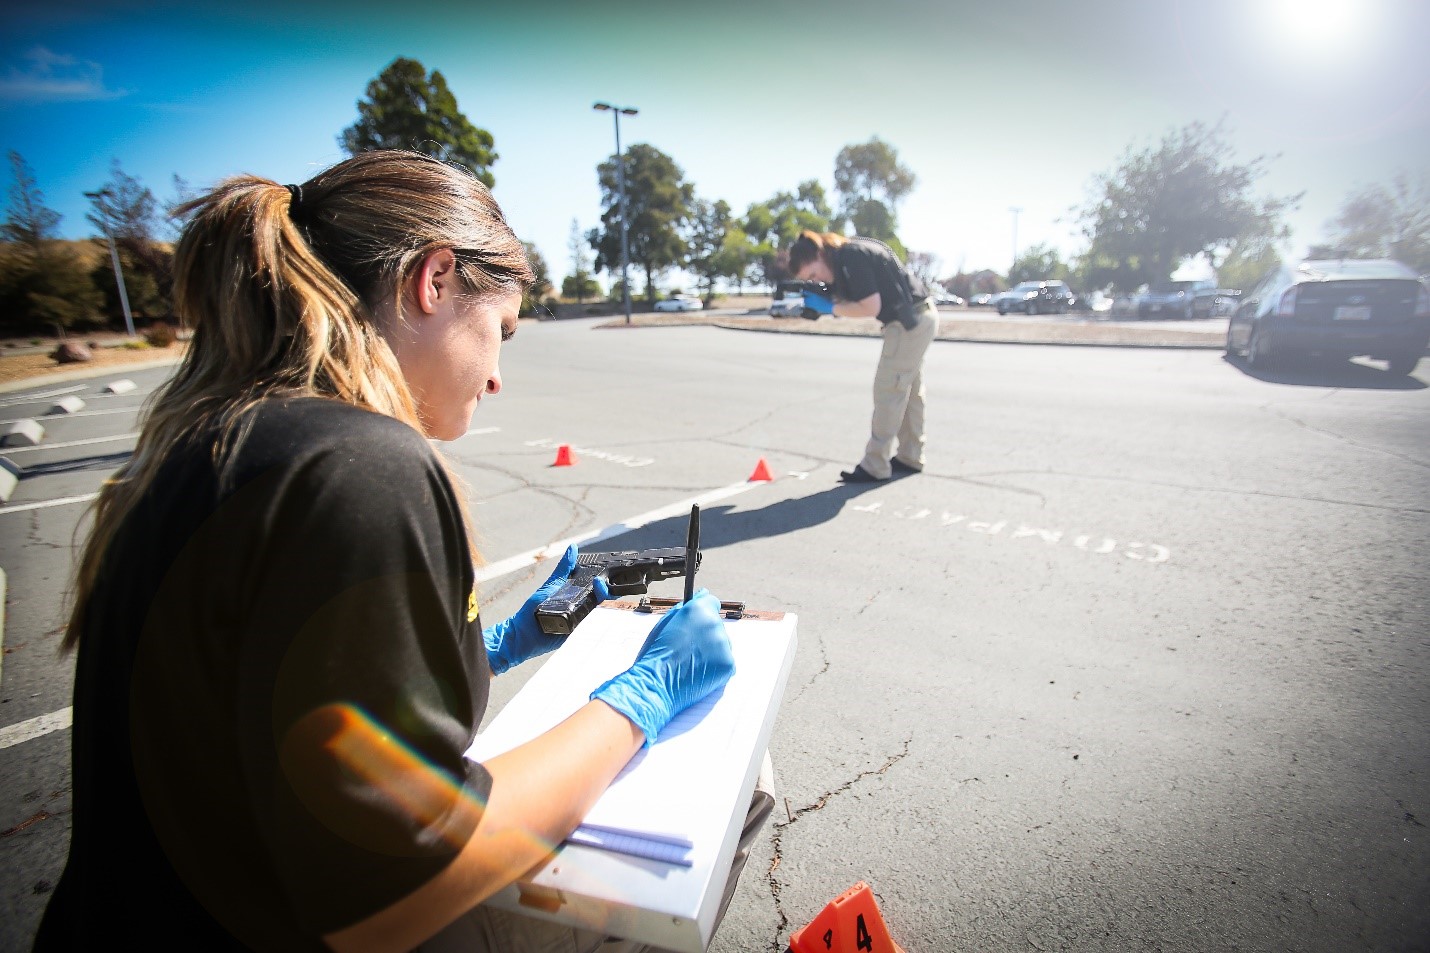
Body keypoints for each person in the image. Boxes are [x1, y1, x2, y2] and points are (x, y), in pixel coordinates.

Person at [34, 150, 771, 953]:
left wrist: (499, 640)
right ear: (436, 279)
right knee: (745, 784)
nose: (496, 378)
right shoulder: (362, 465)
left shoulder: (216, 445)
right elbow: (400, 887)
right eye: (503, 331)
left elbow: (298, 702)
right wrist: (644, 697)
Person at [787, 230, 938, 482]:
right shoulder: (849, 255)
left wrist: (830, 308)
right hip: (918, 319)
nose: (817, 279)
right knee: (909, 391)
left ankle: (875, 464)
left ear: (820, 254)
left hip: (907, 325)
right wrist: (828, 301)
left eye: (814, 274)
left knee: (888, 391)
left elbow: (870, 306)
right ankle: (910, 456)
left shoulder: (851, 256)